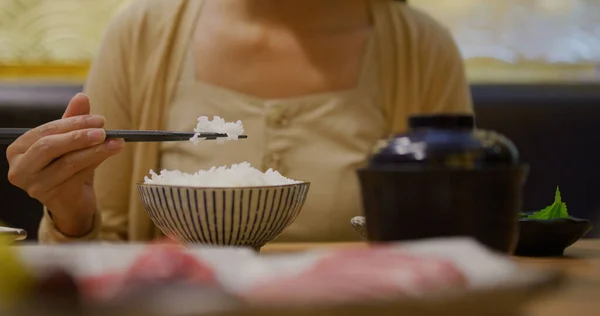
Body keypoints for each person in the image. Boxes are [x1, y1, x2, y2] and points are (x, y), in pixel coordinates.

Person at [6, 0, 473, 244]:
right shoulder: (142, 34)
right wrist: (71, 214)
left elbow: (453, 252)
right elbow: (101, 263)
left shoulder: (422, 47)